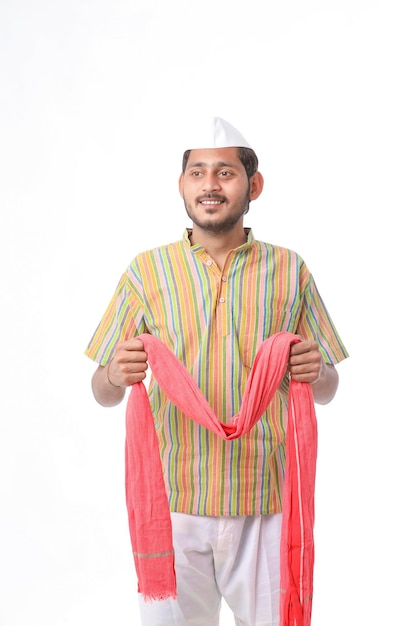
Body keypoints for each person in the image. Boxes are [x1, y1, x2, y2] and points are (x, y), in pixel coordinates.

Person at [85, 116, 348, 626]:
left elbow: (328, 388)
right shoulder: (146, 271)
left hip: (265, 504)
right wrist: (116, 375)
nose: (210, 184)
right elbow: (102, 391)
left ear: (254, 185)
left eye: (224, 172)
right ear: (182, 186)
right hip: (174, 503)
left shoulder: (290, 269)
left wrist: (317, 371)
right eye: (197, 172)